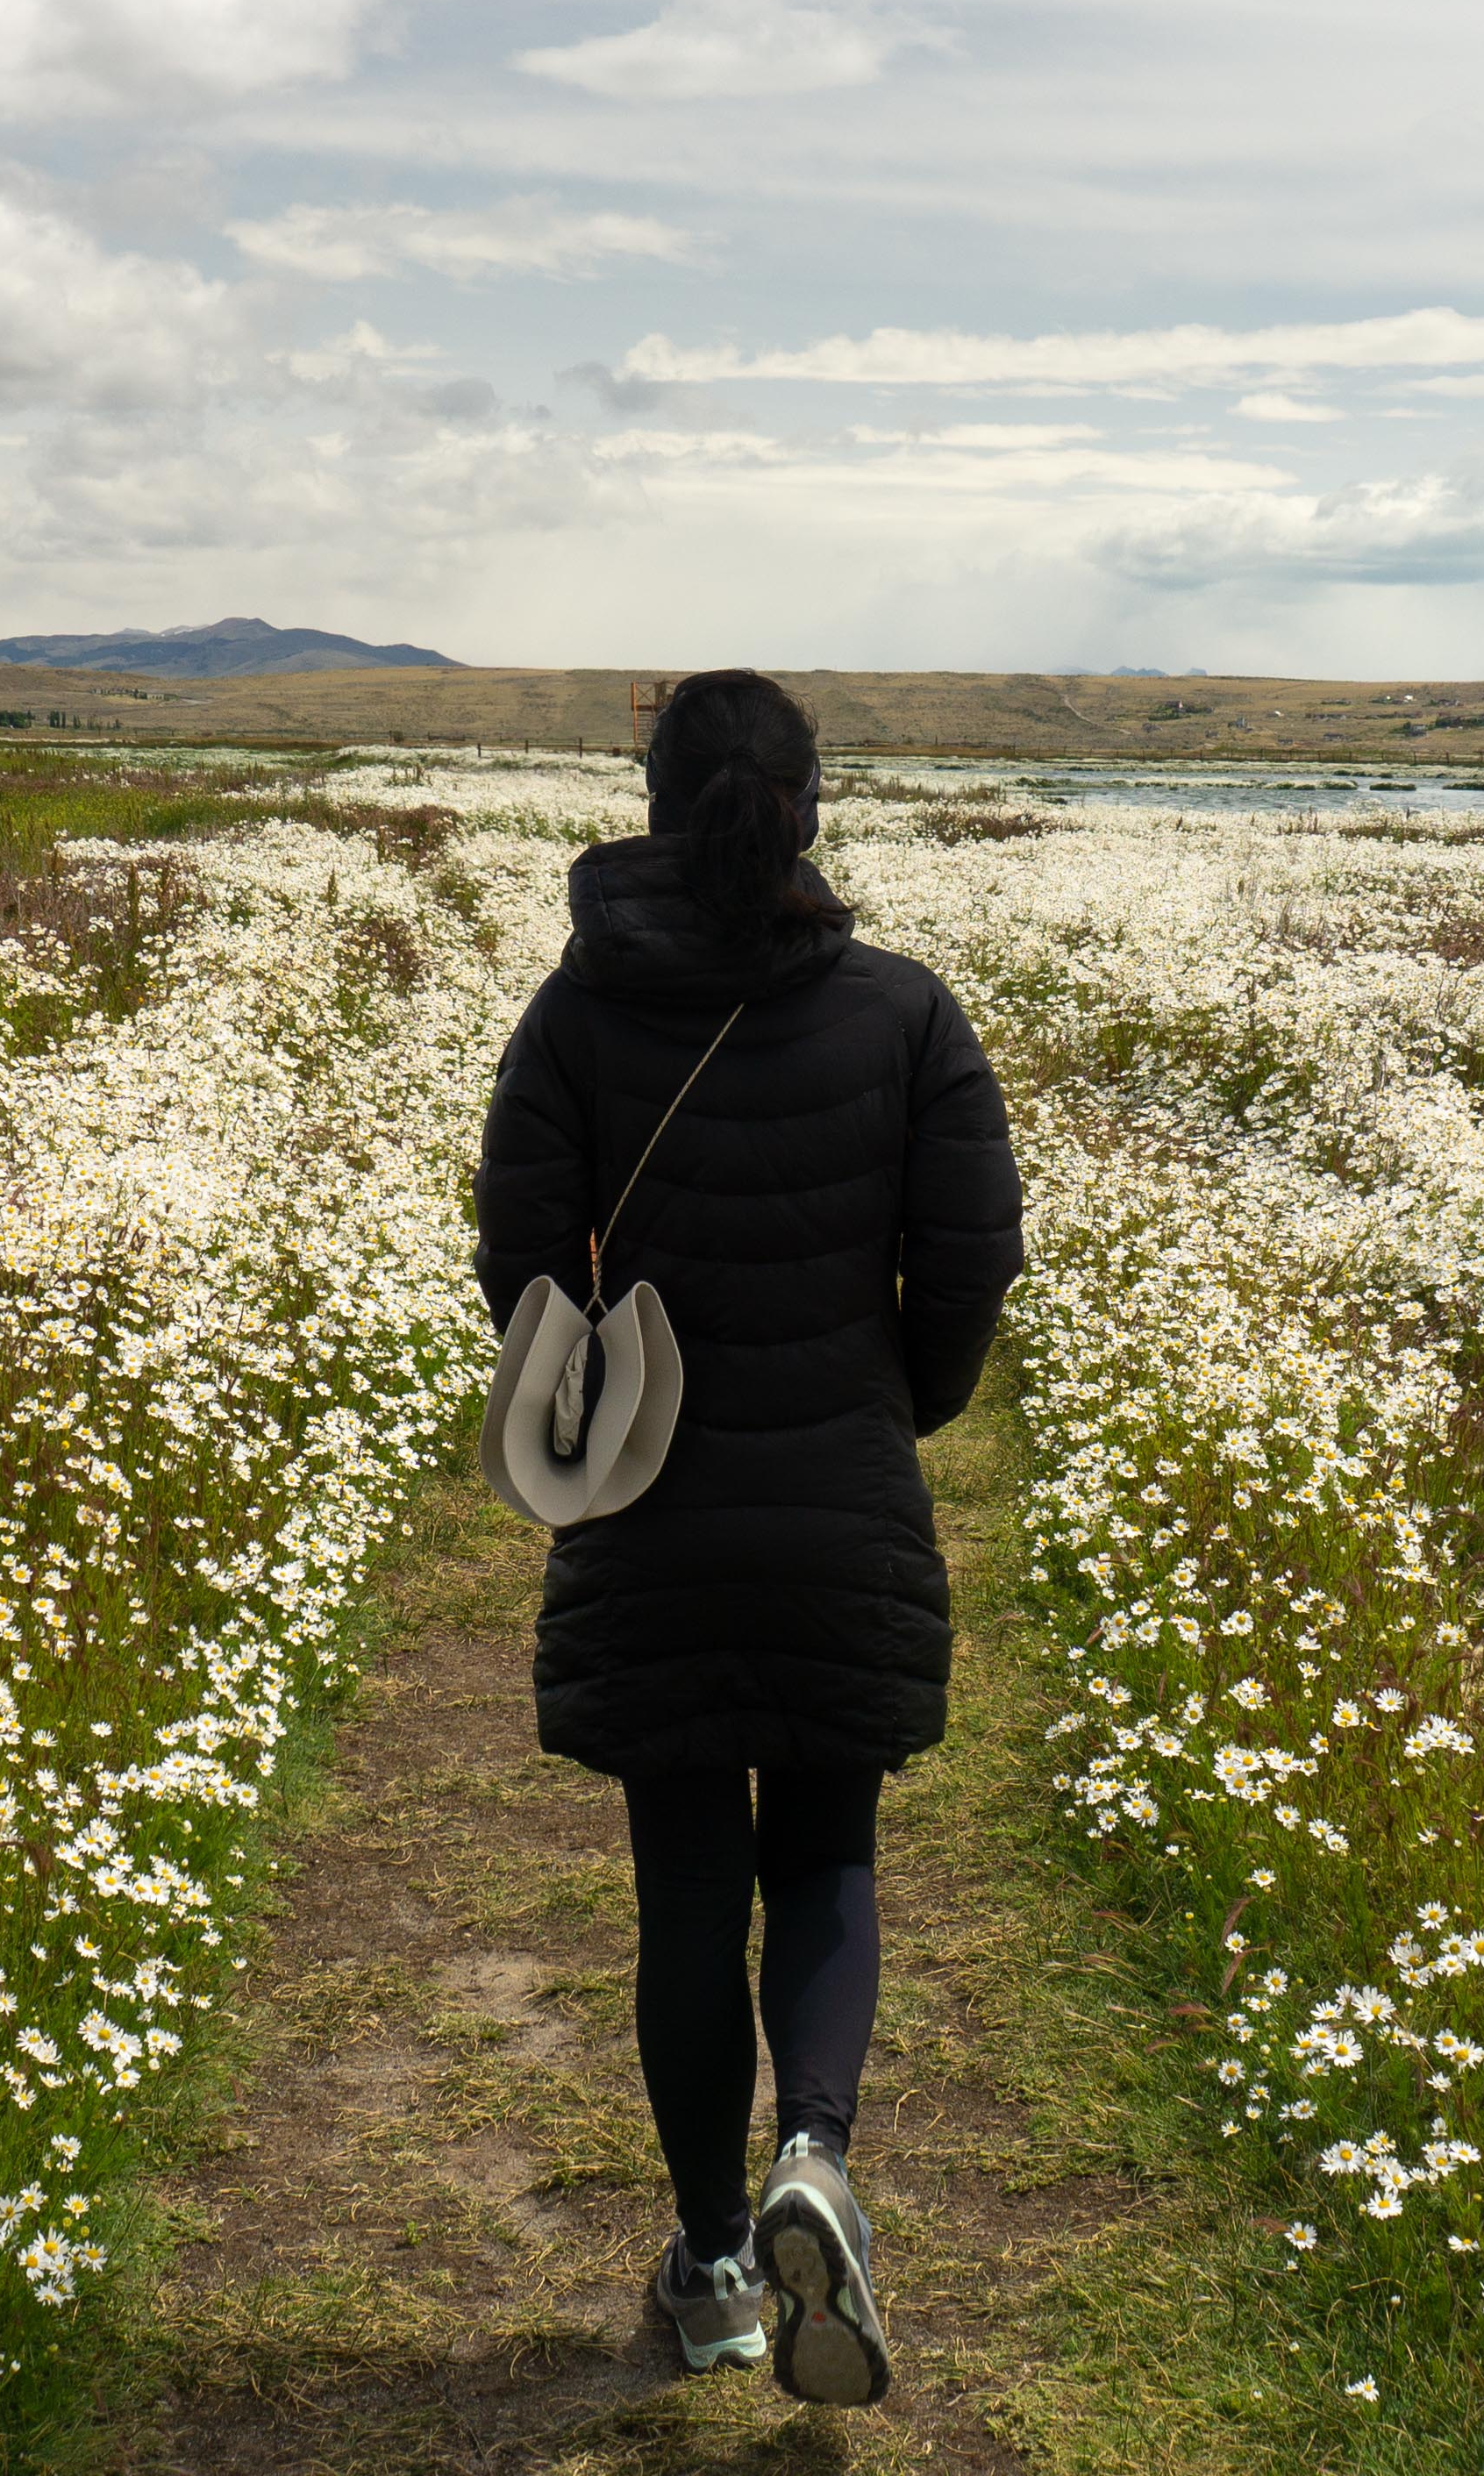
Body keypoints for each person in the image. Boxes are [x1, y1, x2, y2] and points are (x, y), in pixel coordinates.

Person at [473, 669, 1026, 2406]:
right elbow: (974, 1252)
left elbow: (517, 1261)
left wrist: (604, 1392)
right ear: (809, 808)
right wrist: (898, 1404)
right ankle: (817, 2157)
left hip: (650, 1516)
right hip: (840, 1504)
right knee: (830, 1856)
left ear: (653, 807)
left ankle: (717, 2263)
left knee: (691, 1890)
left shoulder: (575, 1014)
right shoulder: (906, 1014)